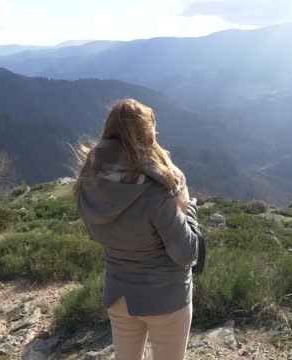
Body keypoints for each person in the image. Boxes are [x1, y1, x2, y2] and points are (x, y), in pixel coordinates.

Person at [74, 98, 201, 360]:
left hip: (119, 295)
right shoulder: (156, 188)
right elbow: (187, 252)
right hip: (166, 297)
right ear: (147, 135)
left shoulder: (89, 180)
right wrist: (189, 210)